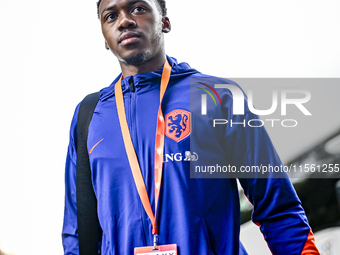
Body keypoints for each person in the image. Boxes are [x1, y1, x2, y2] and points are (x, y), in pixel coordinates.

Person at [62, 0, 320, 254]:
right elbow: (78, 232)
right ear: (105, 39)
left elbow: (277, 206)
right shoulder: (88, 116)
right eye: (110, 16)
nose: (125, 21)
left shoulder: (219, 98)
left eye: (138, 8)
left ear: (165, 22)